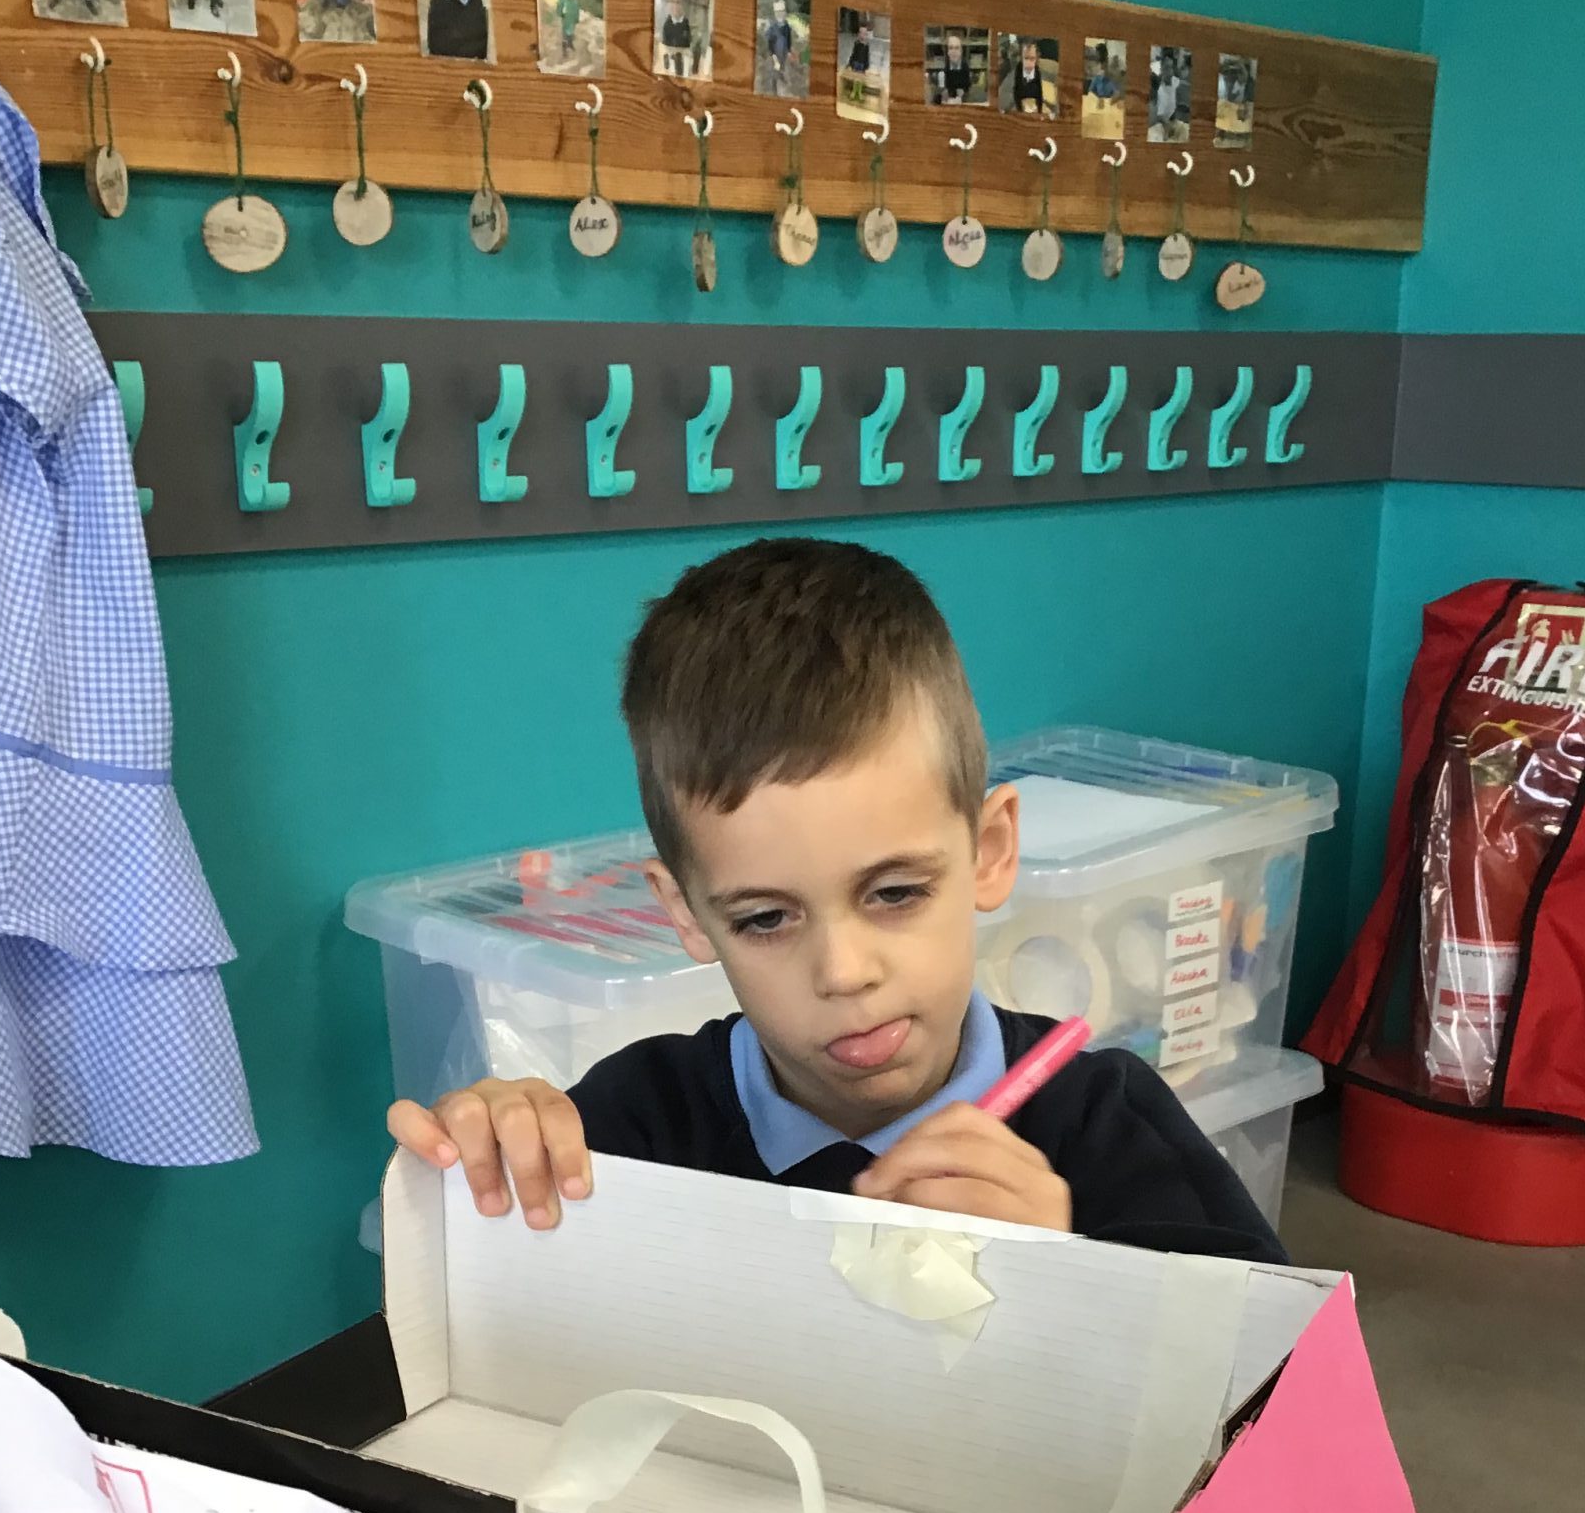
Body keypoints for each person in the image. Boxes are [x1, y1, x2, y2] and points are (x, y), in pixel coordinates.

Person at [388, 538, 1284, 1261]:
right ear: (687, 913)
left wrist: (1078, 1284)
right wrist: (489, 1169)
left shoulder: (1108, 1124)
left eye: (895, 892)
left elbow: (1279, 1396)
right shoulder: (636, 1125)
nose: (845, 973)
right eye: (765, 919)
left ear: (989, 852)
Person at [762, 0, 796, 94]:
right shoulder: (772, 29)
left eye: (782, 12)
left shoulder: (787, 27)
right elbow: (770, 47)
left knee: (782, 69)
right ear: (775, 13)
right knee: (775, 73)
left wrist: (789, 52)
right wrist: (775, 60)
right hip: (774, 56)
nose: (780, 14)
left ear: (785, 12)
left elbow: (788, 40)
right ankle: (774, 91)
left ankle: (781, 79)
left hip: (783, 55)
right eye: (778, 12)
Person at [659, 0, 694, 79]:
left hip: (685, 66)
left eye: (678, 2)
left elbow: (689, 48)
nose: (675, 6)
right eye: (672, 2)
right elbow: (665, 49)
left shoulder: (687, 24)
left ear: (683, 4)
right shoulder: (667, 25)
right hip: (671, 67)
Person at [1009, 37, 1051, 116]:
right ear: (1021, 58)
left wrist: (1039, 111)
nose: (1029, 63)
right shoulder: (1016, 74)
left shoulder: (1040, 73)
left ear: (1037, 58)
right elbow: (1014, 96)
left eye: (1032, 59)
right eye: (1026, 58)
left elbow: (1040, 94)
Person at [936, 29, 972, 104]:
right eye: (951, 48)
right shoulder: (942, 72)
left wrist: (961, 97)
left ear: (961, 51)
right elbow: (941, 93)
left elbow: (968, 92)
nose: (954, 51)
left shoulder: (966, 70)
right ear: (947, 52)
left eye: (957, 48)